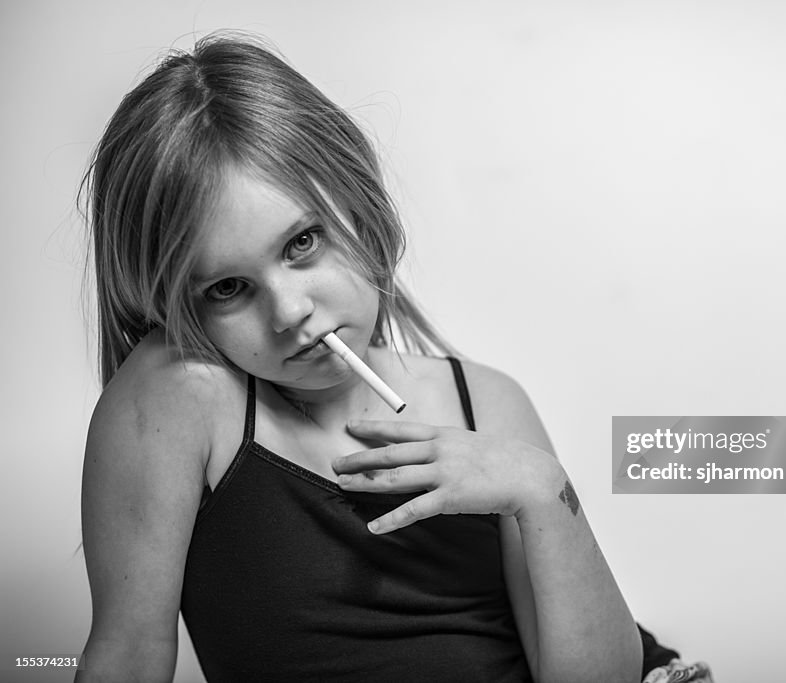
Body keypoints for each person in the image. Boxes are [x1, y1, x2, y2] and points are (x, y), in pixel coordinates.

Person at [74, 32, 660, 682]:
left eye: (302, 242)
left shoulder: (487, 401)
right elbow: (126, 656)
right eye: (228, 288)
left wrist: (544, 491)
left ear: (358, 200)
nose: (290, 310)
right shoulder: (181, 393)